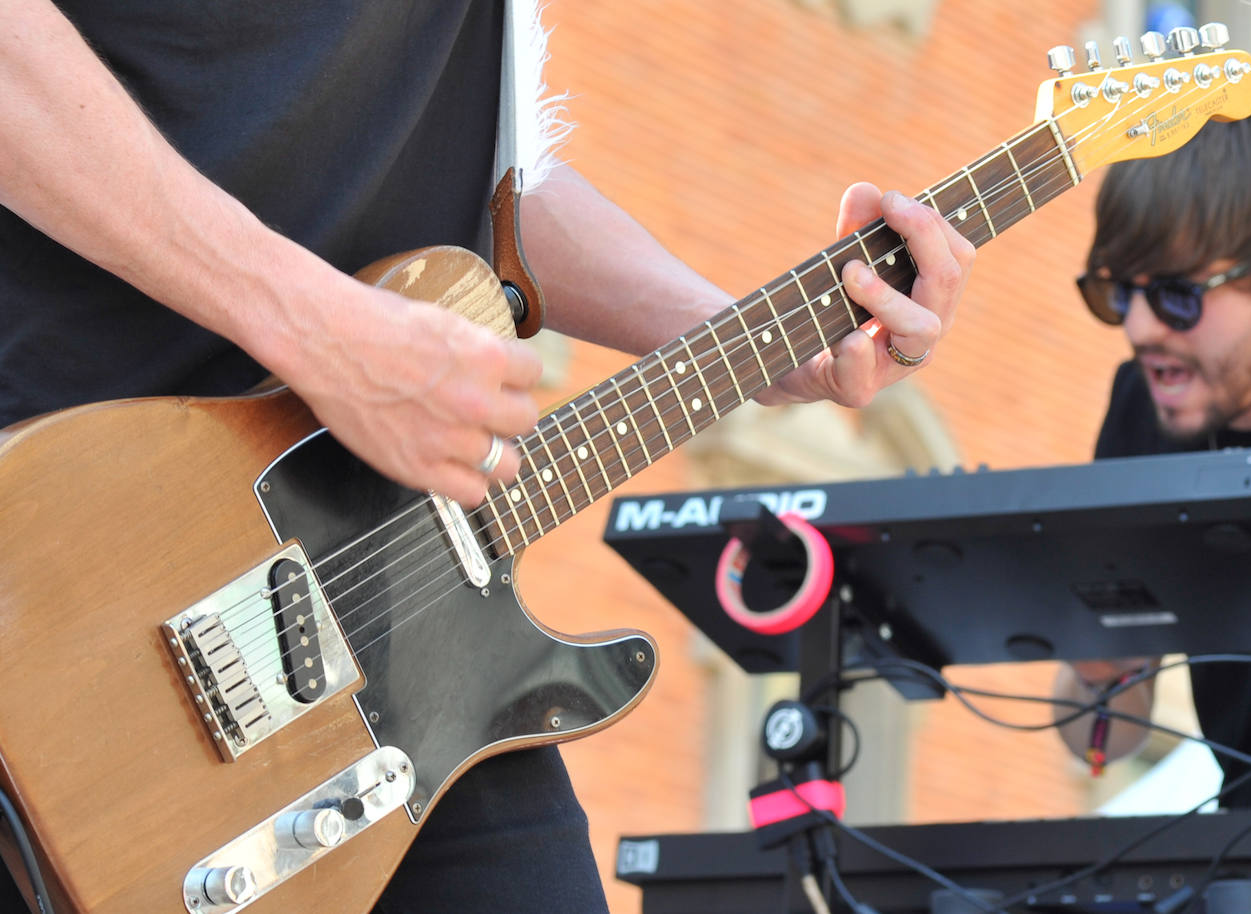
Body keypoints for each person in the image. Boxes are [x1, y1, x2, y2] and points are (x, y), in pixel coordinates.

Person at [0, 1, 974, 911]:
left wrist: (754, 343)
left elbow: (501, 189)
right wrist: (317, 330)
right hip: (78, 540)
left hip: (390, 622)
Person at [1053, 107, 1251, 811]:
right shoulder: (1141, 408)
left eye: (1178, 295)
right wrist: (1100, 676)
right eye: (1120, 292)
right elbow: (1098, 743)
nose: (1139, 327)